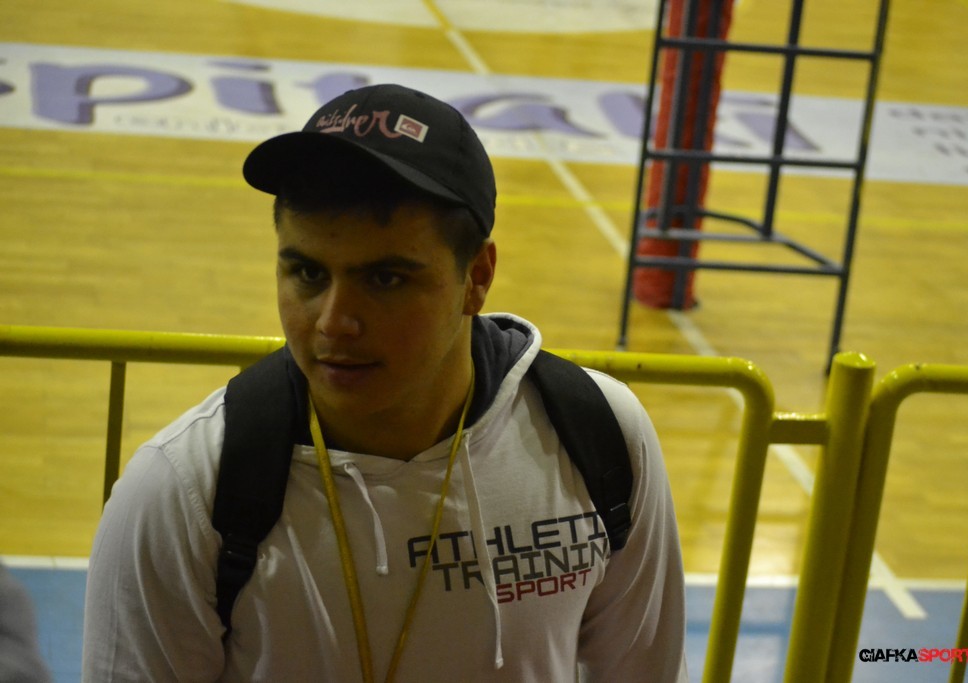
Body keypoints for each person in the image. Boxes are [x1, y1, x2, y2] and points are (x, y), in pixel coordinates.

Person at [82, 83, 688, 682]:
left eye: (386, 280)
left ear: (476, 278)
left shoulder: (600, 435)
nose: (334, 322)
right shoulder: (183, 490)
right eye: (307, 273)